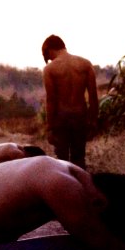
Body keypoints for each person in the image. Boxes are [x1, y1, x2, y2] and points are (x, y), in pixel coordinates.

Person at [41, 35, 98, 169]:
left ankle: (66, 188)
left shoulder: (49, 69)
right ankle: (81, 187)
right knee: (79, 160)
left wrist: (49, 127)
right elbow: (93, 97)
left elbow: (51, 100)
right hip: (80, 117)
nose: (49, 60)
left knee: (62, 163)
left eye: (47, 56)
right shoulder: (85, 64)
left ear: (49, 49)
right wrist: (93, 121)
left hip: (61, 120)